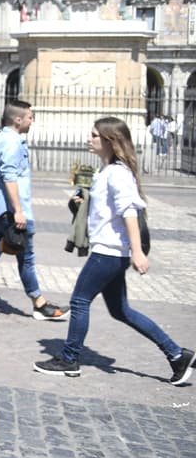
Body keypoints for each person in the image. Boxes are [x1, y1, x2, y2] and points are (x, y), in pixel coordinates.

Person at [35, 118, 194, 384]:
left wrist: (137, 252)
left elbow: (129, 212)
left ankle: (69, 359)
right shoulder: (106, 171)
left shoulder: (118, 173)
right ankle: (177, 355)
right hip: (110, 250)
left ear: (110, 141)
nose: (89, 138)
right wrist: (80, 202)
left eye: (95, 135)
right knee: (121, 311)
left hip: (109, 252)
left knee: (79, 301)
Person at [0, 100, 68, 320]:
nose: (32, 120)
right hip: (10, 211)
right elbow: (9, 177)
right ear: (18, 120)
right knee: (26, 257)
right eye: (30, 116)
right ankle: (39, 304)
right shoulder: (12, 143)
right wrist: (18, 211)